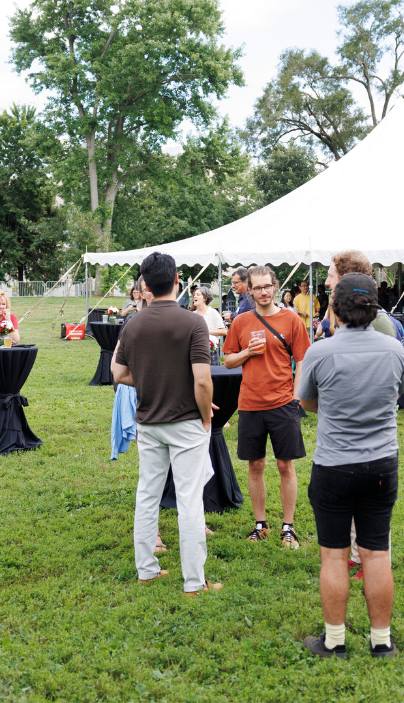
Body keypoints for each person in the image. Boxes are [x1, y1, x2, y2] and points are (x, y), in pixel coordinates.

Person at [299, 273, 404, 660]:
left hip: (334, 465)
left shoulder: (320, 352)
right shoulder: (393, 349)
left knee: (333, 554)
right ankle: (382, 642)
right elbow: (399, 392)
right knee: (376, 552)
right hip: (381, 463)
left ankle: (334, 641)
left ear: (334, 308)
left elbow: (307, 402)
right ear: (373, 306)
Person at [111, 252, 221, 595]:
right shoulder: (193, 323)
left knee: (147, 495)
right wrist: (205, 415)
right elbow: (203, 381)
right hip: (186, 420)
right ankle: (193, 582)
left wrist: (149, 381)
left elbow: (118, 374)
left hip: (149, 420)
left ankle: (147, 570)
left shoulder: (133, 324)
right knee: (189, 500)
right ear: (177, 282)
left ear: (144, 285)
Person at [223, 265, 310, 549]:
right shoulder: (241, 322)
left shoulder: (292, 320)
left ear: (275, 286)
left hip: (283, 403)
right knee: (255, 465)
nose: (262, 292)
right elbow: (228, 360)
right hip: (250, 404)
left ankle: (288, 526)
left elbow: (304, 362)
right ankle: (260, 524)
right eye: (256, 287)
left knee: (286, 465)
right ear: (249, 290)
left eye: (267, 286)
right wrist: (247, 352)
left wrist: (296, 398)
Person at [191, 285, 226, 365]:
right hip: (195, 351)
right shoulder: (192, 314)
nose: (194, 297)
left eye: (198, 295)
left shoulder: (213, 312)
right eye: (194, 295)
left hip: (211, 352)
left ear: (205, 298)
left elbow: (224, 331)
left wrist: (207, 331)